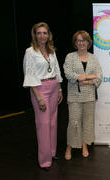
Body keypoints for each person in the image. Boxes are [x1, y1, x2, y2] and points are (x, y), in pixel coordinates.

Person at [23, 22, 63, 171]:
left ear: (48, 35)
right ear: (35, 35)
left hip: (53, 87)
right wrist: (39, 97)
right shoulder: (30, 52)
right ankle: (45, 161)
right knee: (43, 124)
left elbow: (57, 69)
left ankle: (52, 153)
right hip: (40, 89)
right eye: (39, 33)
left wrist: (59, 90)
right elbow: (30, 75)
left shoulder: (51, 50)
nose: (42, 36)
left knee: (52, 122)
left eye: (44, 33)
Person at [63, 30, 103, 160]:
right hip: (74, 96)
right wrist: (87, 76)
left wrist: (84, 80)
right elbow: (68, 74)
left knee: (87, 121)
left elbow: (99, 77)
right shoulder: (70, 57)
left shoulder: (94, 58)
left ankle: (84, 145)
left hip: (89, 96)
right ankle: (69, 146)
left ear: (88, 42)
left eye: (83, 40)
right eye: (78, 40)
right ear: (75, 43)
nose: (81, 43)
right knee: (74, 122)